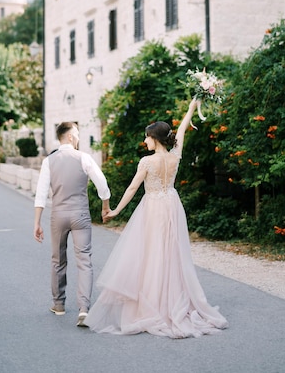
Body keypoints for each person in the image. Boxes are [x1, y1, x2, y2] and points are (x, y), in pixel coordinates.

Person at [85, 99, 228, 338]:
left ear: (155, 139)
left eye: (146, 137)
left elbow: (132, 189)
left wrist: (116, 211)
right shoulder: (175, 156)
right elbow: (181, 130)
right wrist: (192, 108)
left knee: (150, 253)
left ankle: (152, 304)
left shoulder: (147, 162)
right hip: (171, 204)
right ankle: (170, 300)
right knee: (171, 253)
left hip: (152, 207)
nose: (144, 141)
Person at [34, 122, 110, 327]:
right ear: (68, 137)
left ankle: (58, 305)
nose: (78, 138)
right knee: (84, 261)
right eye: (76, 134)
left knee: (58, 260)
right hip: (80, 216)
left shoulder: (48, 161)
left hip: (58, 216)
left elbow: (41, 193)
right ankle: (84, 310)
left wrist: (36, 222)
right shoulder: (84, 157)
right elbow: (102, 184)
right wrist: (105, 205)